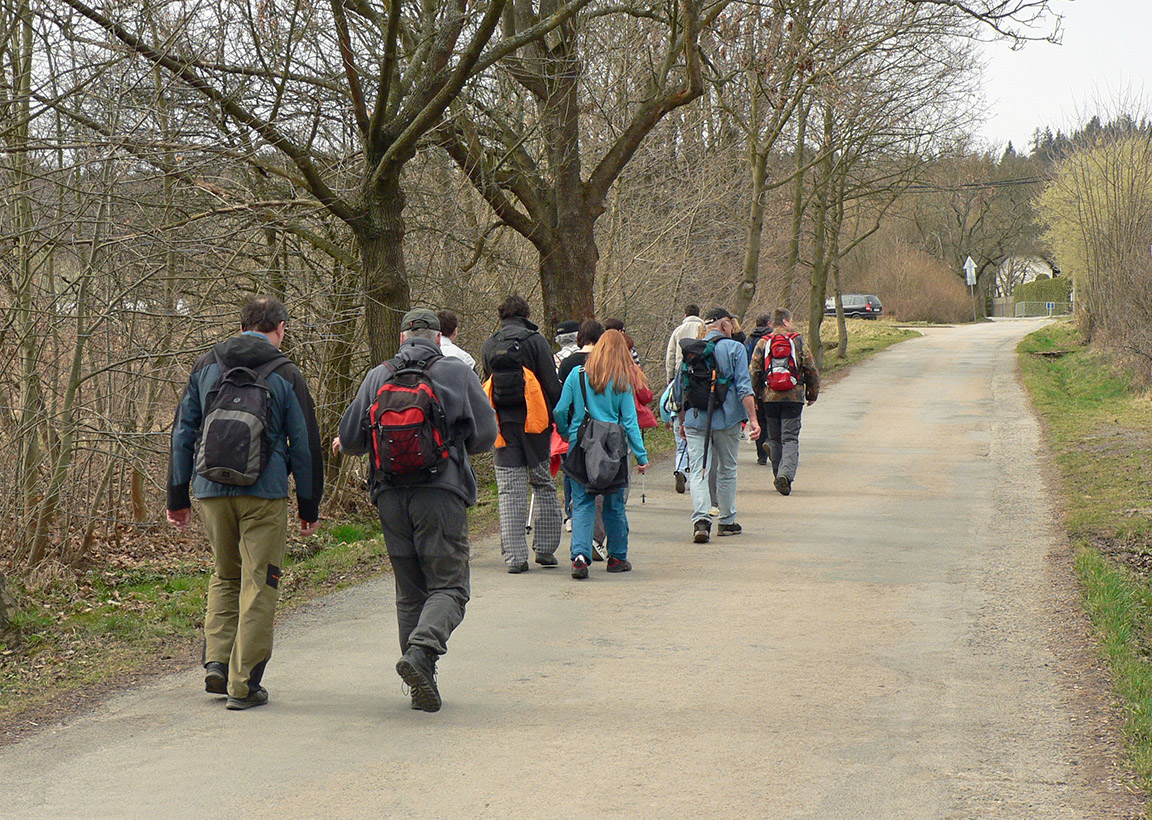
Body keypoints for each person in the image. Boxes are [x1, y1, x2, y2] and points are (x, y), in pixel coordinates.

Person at [333, 308, 497, 712]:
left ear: (403, 338)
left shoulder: (378, 375)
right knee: (450, 587)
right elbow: (486, 435)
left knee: (409, 593)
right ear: (439, 339)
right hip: (440, 492)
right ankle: (422, 652)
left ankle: (421, 680)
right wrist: (453, 447)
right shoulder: (457, 373)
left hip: (390, 495)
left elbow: (350, 438)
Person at [167, 294, 324, 710]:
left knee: (225, 575)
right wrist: (309, 505)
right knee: (260, 582)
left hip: (210, 490)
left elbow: (183, 432)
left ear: (241, 325)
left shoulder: (206, 365)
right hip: (263, 494)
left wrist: (177, 496)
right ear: (281, 328)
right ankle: (244, 684)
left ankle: (217, 664)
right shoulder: (286, 372)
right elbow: (305, 444)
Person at [554, 330, 649, 579]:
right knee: (614, 504)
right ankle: (617, 557)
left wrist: (565, 432)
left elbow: (560, 409)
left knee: (582, 502)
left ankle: (580, 557)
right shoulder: (623, 380)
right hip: (613, 448)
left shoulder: (578, 374)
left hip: (581, 445)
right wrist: (641, 456)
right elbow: (630, 422)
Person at [480, 294, 564, 573]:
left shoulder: (490, 344)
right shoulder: (536, 341)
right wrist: (559, 420)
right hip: (535, 424)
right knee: (542, 483)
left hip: (501, 425)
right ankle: (545, 549)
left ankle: (515, 558)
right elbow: (551, 384)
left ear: (501, 316)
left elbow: (487, 381)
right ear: (526, 315)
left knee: (509, 490)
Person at [673, 306, 759, 544]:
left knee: (699, 470)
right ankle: (727, 520)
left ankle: (701, 520)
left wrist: (682, 421)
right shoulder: (735, 348)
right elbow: (744, 387)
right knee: (727, 469)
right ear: (725, 325)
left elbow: (679, 389)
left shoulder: (692, 350)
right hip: (727, 420)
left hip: (695, 420)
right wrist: (753, 418)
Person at [749, 308, 819, 496]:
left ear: (772, 323)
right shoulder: (797, 341)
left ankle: (778, 475)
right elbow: (810, 368)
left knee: (775, 438)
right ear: (786, 321)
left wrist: (754, 397)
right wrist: (812, 393)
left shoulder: (763, 342)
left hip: (769, 398)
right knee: (790, 438)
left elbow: (754, 371)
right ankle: (785, 475)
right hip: (793, 397)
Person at [558, 320, 605, 534]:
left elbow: (561, 403)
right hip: (604, 431)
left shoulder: (568, 364)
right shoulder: (607, 363)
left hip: (576, 429)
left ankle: (572, 516)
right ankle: (598, 533)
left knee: (573, 473)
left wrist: (564, 430)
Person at [664, 304, 704, 494]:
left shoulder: (678, 330)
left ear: (685, 314)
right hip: (700, 381)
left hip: (681, 377)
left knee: (681, 439)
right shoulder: (704, 329)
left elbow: (670, 355)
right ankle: (696, 474)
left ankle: (680, 470)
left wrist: (670, 377)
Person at [745, 313, 773, 465]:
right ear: (768, 323)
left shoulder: (749, 340)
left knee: (759, 419)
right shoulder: (771, 339)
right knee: (771, 418)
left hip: (755, 384)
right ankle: (770, 442)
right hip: (772, 385)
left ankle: (761, 455)